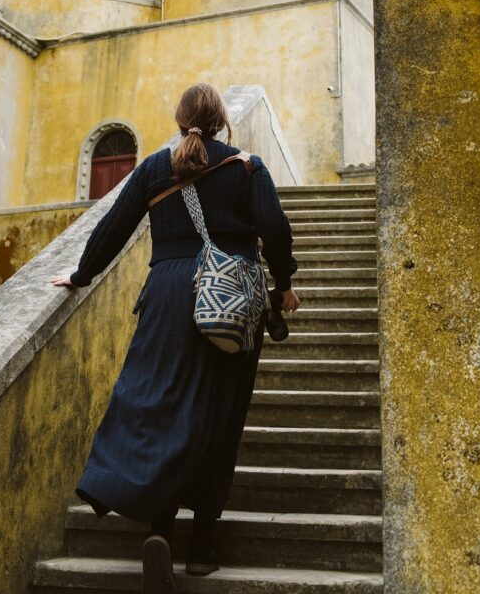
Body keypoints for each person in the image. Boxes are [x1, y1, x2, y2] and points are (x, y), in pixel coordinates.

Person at [51, 83, 299, 593]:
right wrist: (284, 284)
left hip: (167, 296)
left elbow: (113, 227)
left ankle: (159, 530)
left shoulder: (154, 169)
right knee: (220, 416)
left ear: (180, 120)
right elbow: (275, 229)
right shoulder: (248, 168)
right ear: (222, 121)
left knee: (158, 405)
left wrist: (80, 274)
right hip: (230, 302)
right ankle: (202, 546)